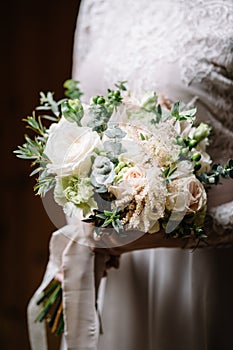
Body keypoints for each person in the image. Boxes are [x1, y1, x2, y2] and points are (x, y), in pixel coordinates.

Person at [62, 1, 233, 349]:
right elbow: (76, 122)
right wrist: (82, 216)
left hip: (203, 272)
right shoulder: (99, 6)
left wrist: (176, 232)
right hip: (111, 270)